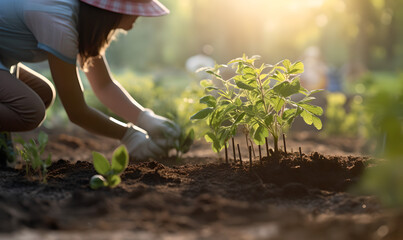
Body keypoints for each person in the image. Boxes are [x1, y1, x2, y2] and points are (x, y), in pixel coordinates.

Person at [0, 0, 180, 166]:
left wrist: (145, 119)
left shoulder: (79, 19)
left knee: (43, 93)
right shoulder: (59, 22)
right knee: (30, 111)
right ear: (111, 11)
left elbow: (104, 85)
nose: (138, 16)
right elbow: (76, 111)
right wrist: (128, 135)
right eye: (134, 10)